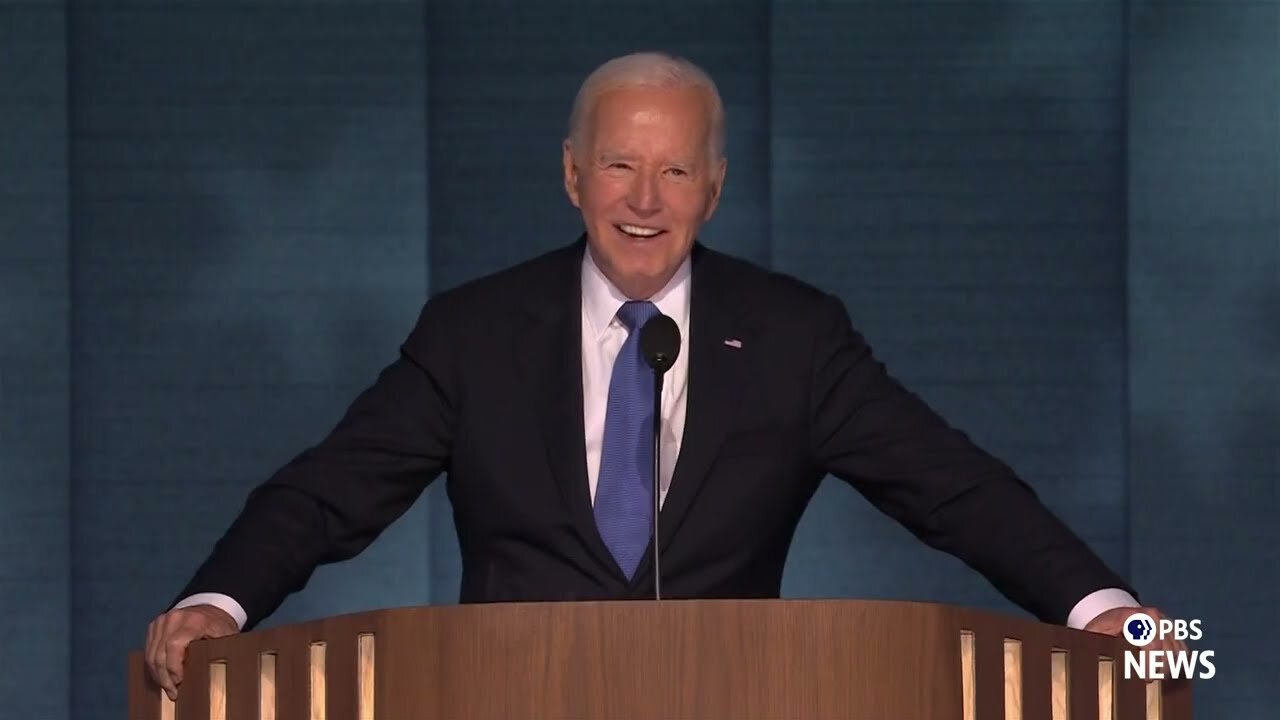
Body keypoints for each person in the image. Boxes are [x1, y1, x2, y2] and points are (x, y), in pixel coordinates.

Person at [145, 51, 1181, 699]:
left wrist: (1103, 611)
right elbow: (329, 492)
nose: (644, 200)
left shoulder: (793, 337)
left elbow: (954, 489)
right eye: (619, 166)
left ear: (713, 189)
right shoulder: (476, 333)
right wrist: (217, 605)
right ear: (571, 174)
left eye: (675, 170)